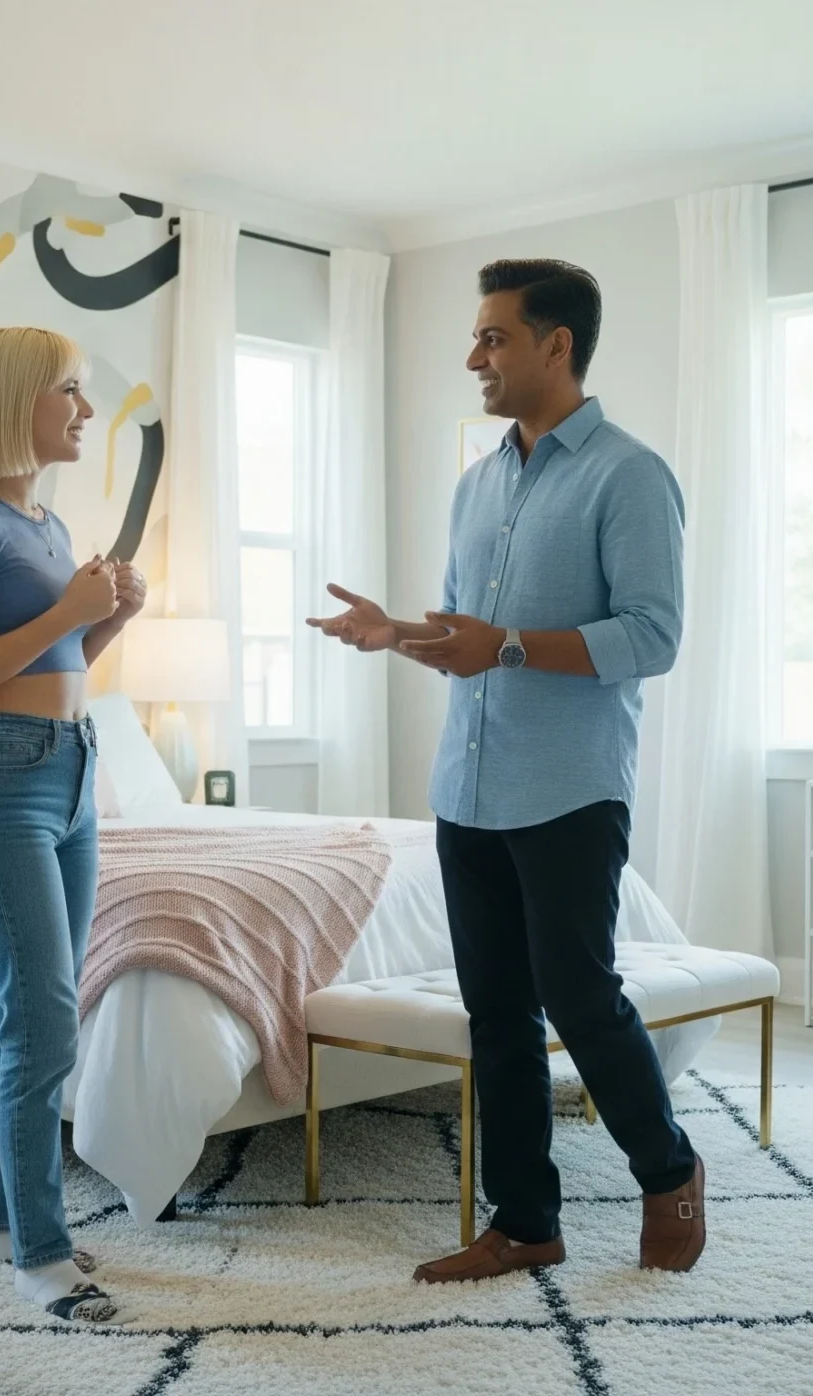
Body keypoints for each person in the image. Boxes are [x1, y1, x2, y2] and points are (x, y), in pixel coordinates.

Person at [309, 259, 701, 1282]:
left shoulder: (628, 474)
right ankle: (525, 1222)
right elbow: (463, 635)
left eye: (493, 337)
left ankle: (667, 1168)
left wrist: (514, 646)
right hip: (466, 789)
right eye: (477, 337)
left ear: (555, 344)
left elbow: (653, 636)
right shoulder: (475, 483)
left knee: (580, 997)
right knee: (496, 1013)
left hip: (569, 787)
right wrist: (396, 632)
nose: (473, 356)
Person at [0, 326, 146, 1322]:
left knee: (32, 1015)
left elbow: (60, 662)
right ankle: (40, 1256)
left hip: (73, 772)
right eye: (70, 390)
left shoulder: (49, 524)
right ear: (18, 400)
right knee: (45, 1018)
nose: (85, 411)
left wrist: (110, 617)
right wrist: (70, 614)